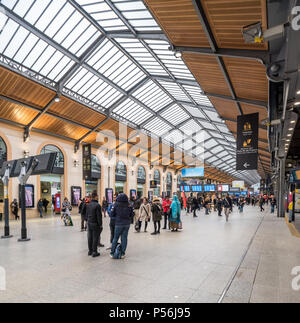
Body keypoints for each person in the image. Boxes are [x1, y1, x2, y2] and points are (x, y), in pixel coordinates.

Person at [110, 193, 134, 259]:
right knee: (124, 238)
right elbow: (132, 215)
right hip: (126, 224)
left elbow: (112, 214)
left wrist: (117, 217)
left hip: (118, 223)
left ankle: (112, 253)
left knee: (115, 238)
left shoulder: (116, 205)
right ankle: (123, 253)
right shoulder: (129, 205)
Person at [86, 191, 103, 257]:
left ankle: (90, 251)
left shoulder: (89, 204)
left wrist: (87, 221)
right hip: (95, 223)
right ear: (95, 197)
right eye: (97, 196)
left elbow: (87, 214)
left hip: (89, 222)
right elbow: (99, 216)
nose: (98, 197)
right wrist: (100, 224)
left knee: (90, 237)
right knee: (95, 237)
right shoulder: (97, 205)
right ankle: (94, 251)